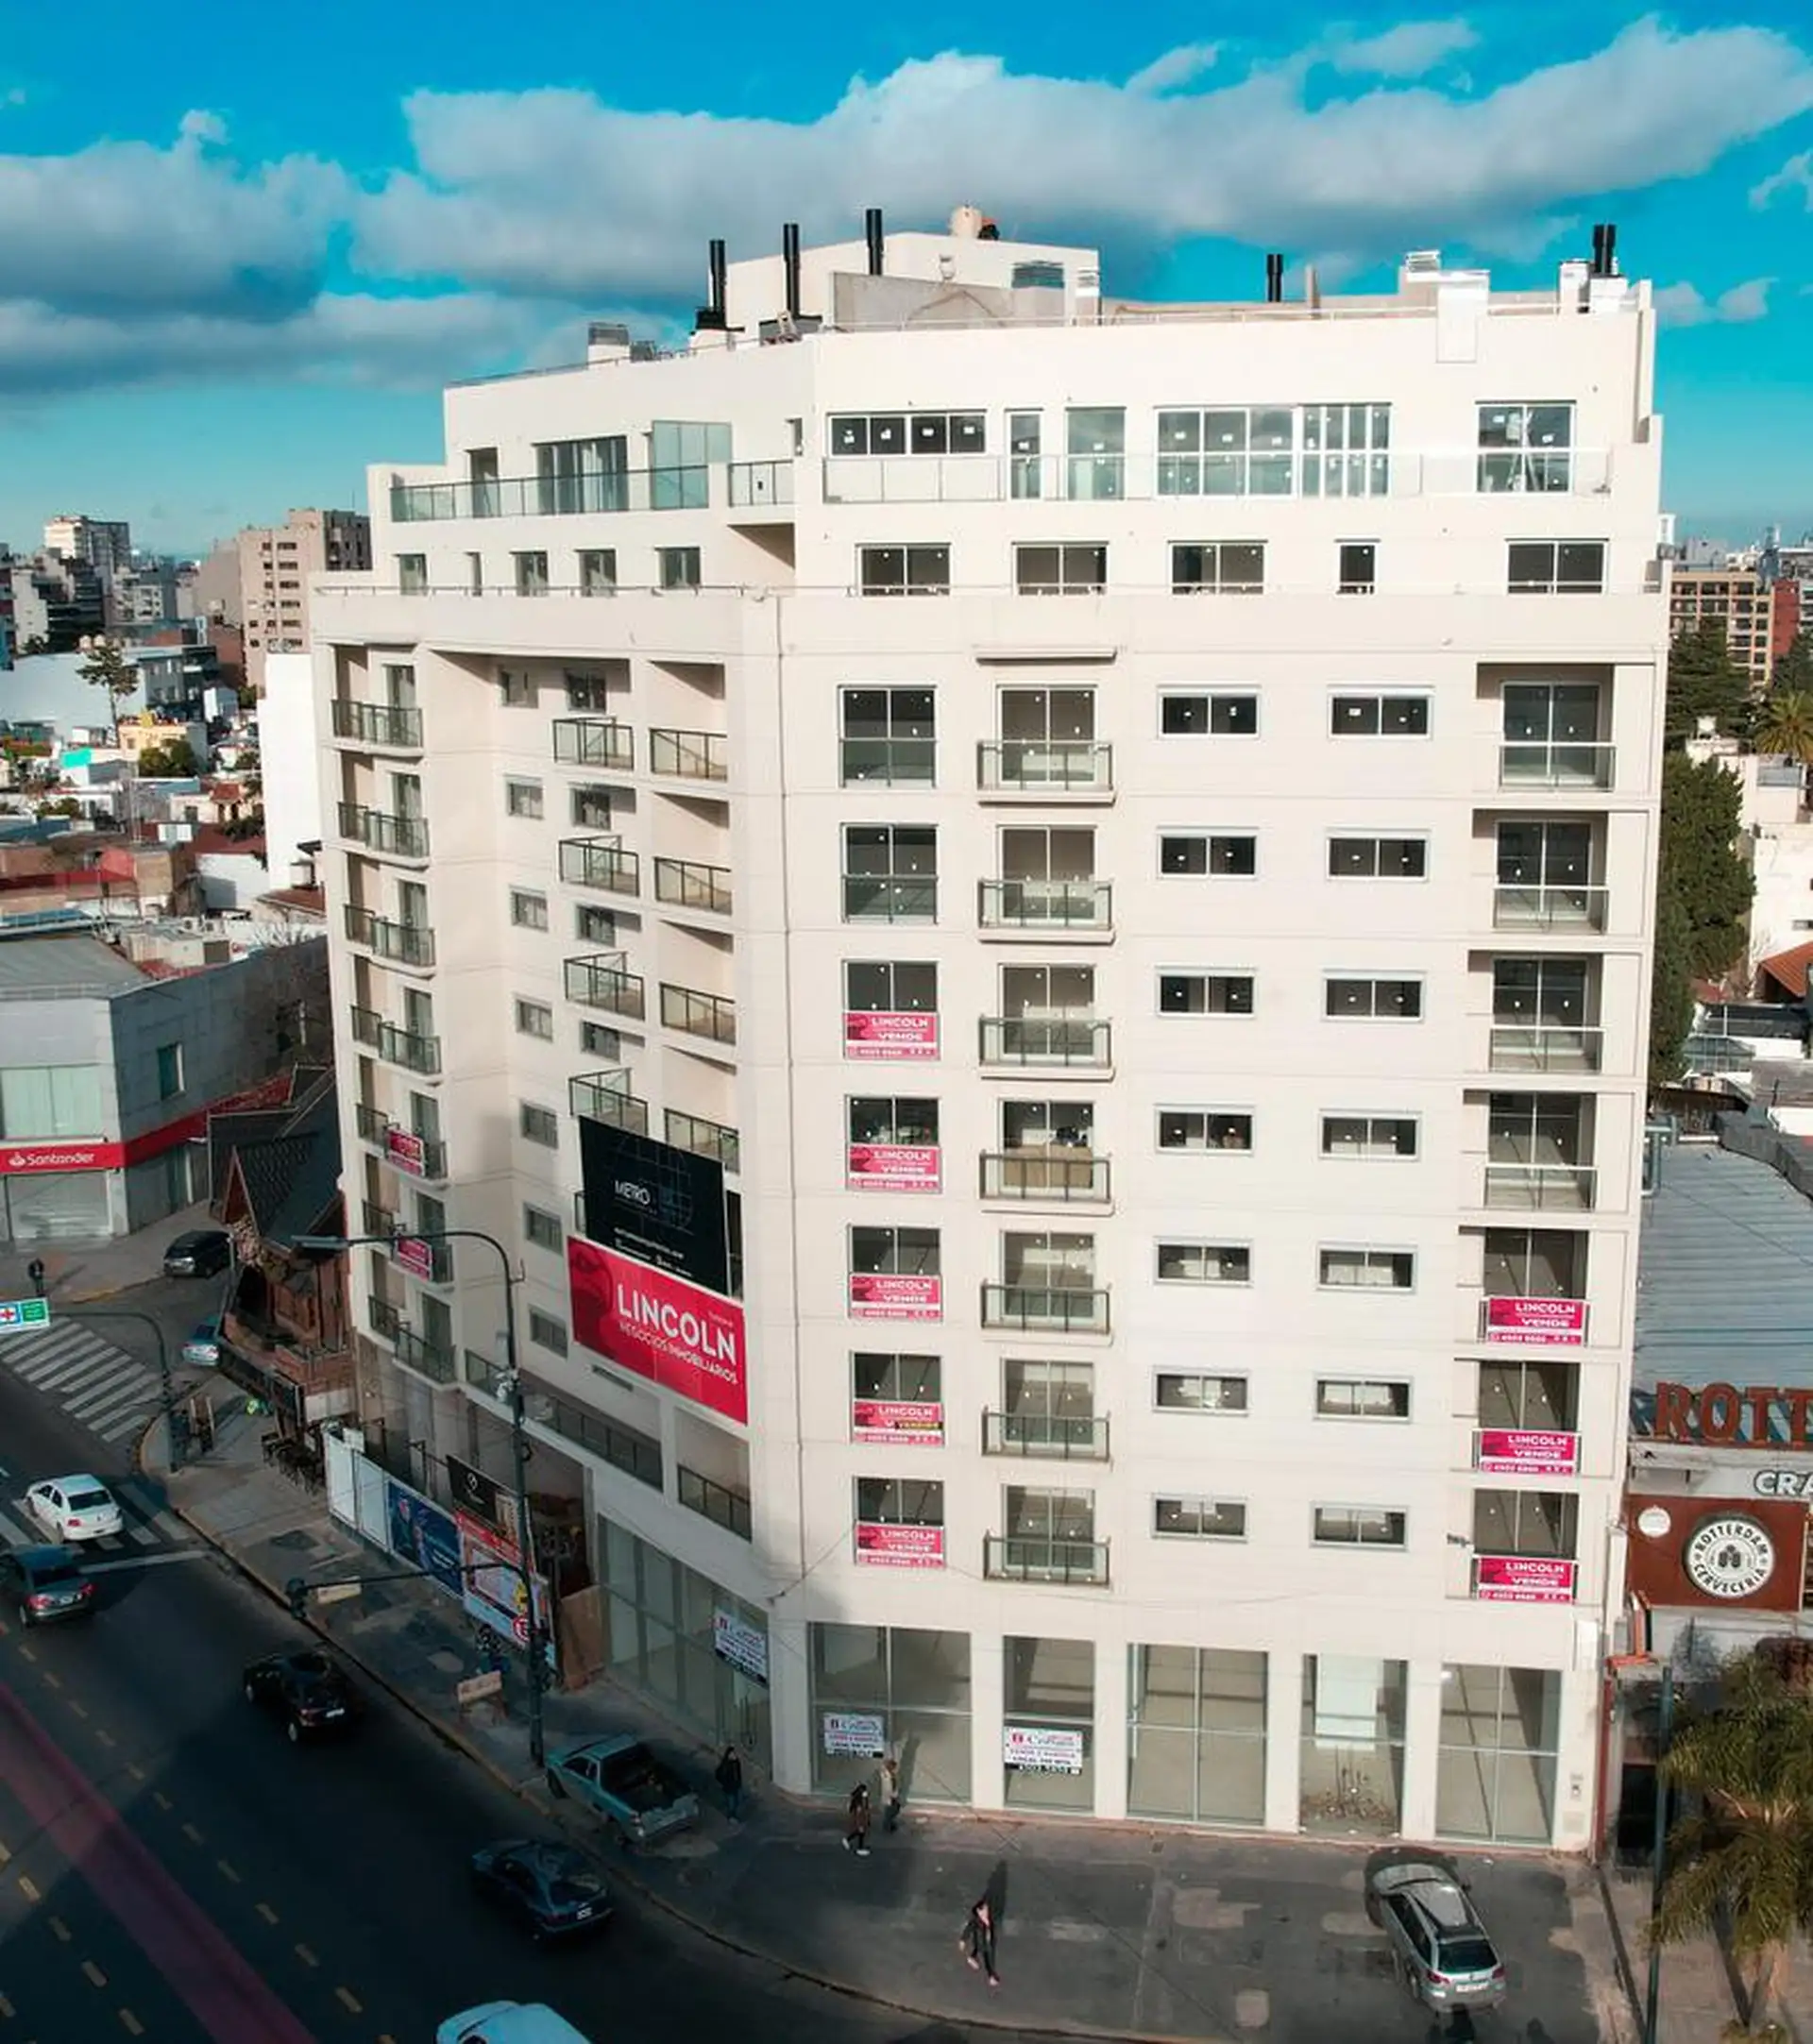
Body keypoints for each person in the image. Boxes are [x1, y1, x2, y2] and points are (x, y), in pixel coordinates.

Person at [959, 1895, 999, 1987]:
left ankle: (972, 1958)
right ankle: (991, 1976)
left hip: (987, 1941)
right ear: (979, 1912)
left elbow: (991, 1927)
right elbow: (968, 1929)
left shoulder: (988, 1918)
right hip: (982, 1943)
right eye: (984, 1910)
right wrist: (963, 1939)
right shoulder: (976, 1922)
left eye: (986, 1910)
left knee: (980, 1952)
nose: (986, 1912)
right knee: (988, 1959)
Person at [842, 1781, 872, 1856]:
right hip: (860, 1821)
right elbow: (859, 1815)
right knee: (860, 1833)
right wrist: (860, 1824)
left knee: (860, 1833)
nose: (866, 1793)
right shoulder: (859, 1803)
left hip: (861, 1821)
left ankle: (850, 1842)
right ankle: (859, 1848)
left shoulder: (860, 1800)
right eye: (865, 1791)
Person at [714, 1744, 744, 1820]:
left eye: (734, 1753)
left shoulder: (736, 1762)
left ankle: (734, 1814)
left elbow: (738, 1773)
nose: (734, 1755)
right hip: (730, 1788)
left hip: (737, 1785)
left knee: (738, 1801)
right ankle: (731, 1816)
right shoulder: (726, 1766)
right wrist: (724, 1783)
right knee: (732, 1803)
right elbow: (719, 1774)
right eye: (732, 1754)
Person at [879, 1753, 902, 1833]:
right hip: (890, 1797)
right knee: (890, 1812)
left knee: (893, 1810)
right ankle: (888, 1827)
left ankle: (889, 1824)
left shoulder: (890, 1775)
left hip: (892, 1796)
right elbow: (889, 1788)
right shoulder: (886, 1775)